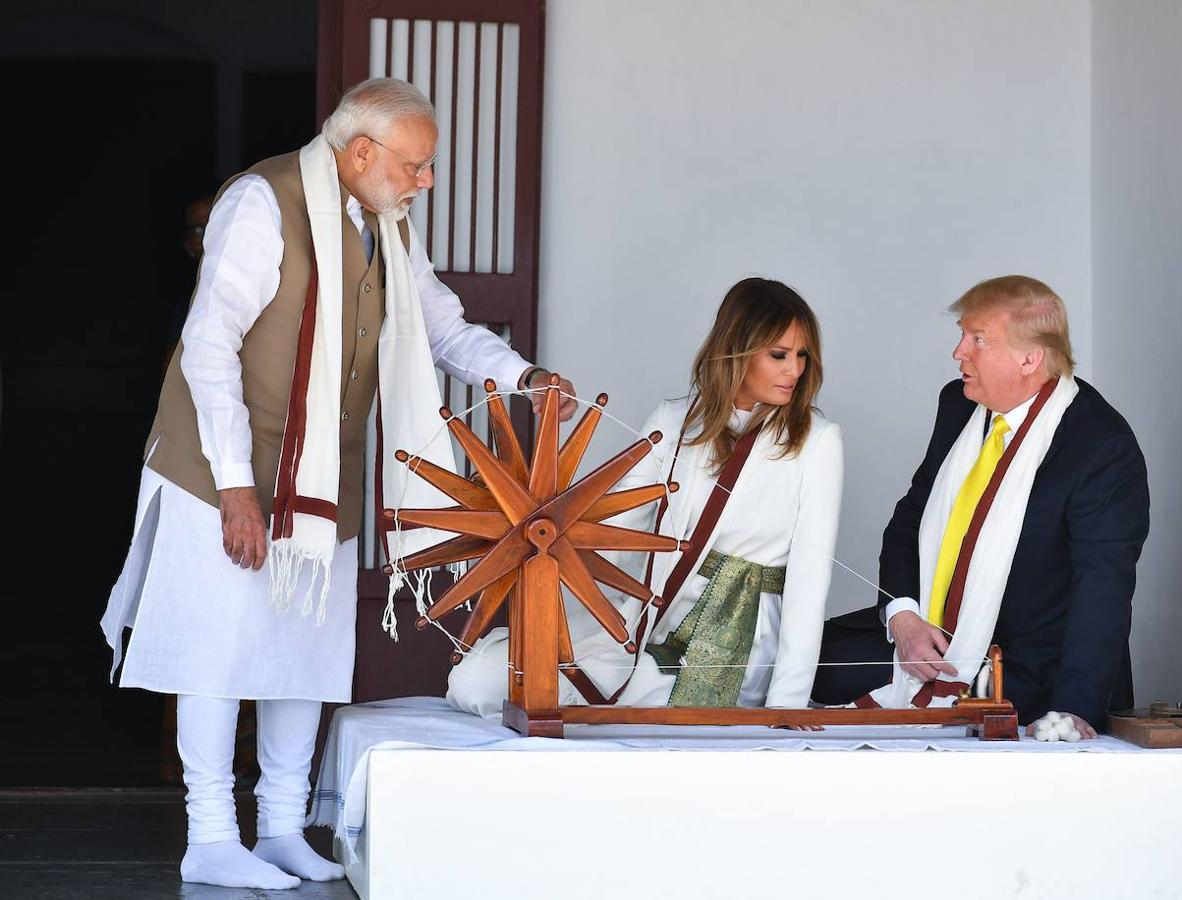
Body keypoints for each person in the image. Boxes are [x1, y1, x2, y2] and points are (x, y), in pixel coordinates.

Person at [100, 77, 575, 890]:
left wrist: (523, 377)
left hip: (321, 480)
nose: (427, 182)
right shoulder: (261, 200)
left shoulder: (388, 227)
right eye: (417, 166)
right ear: (362, 153)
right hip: (219, 468)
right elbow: (209, 345)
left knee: (300, 650)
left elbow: (443, 327)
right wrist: (237, 488)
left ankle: (282, 827)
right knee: (217, 653)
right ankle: (212, 837)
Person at [447, 277, 843, 716]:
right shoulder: (672, 421)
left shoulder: (816, 441)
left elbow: (810, 583)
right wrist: (533, 534)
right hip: (643, 618)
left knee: (615, 708)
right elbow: (614, 529)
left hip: (732, 637)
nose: (795, 370)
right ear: (736, 349)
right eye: (779, 355)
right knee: (476, 679)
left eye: (802, 356)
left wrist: (786, 705)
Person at [811, 275, 1148, 738]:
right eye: (962, 336)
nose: (958, 352)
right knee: (807, 663)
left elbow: (1102, 592)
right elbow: (908, 520)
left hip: (1024, 662)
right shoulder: (958, 404)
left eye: (978, 340)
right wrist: (904, 618)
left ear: (1030, 358)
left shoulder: (1101, 443)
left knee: (1009, 718)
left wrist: (1074, 709)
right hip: (931, 633)